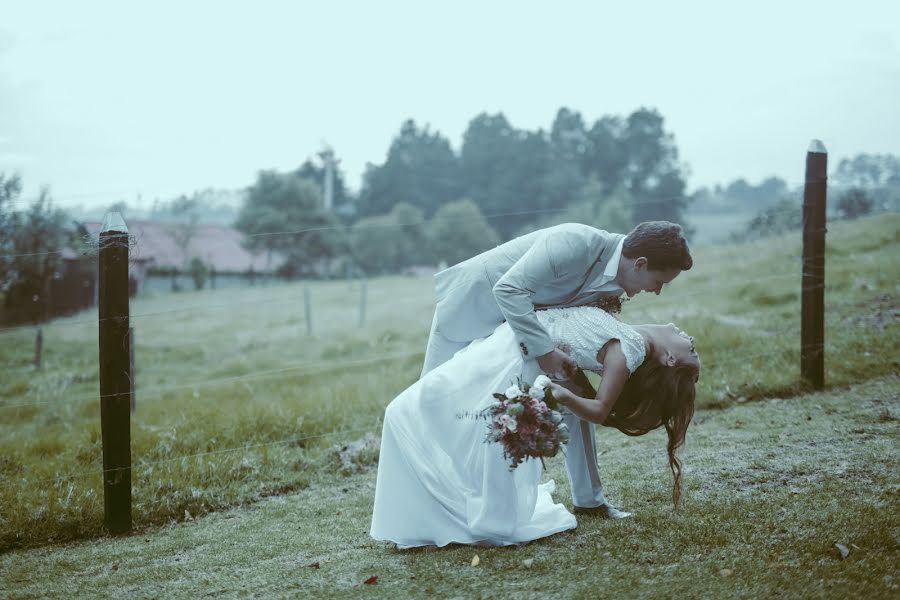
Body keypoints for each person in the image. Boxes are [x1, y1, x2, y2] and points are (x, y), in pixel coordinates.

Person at [419, 220, 693, 517]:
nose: (657, 291)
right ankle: (427, 512)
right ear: (640, 264)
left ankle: (590, 501)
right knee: (431, 406)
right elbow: (509, 289)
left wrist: (582, 385)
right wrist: (546, 353)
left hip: (520, 337)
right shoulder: (575, 241)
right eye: (660, 281)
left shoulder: (615, 284)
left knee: (573, 403)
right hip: (470, 310)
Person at [370, 306, 699, 548]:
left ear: (670, 359)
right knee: (423, 407)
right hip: (512, 339)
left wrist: (560, 394)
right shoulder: (631, 335)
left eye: (692, 350)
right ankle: (437, 504)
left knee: (412, 407)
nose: (690, 338)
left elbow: (599, 409)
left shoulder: (631, 350)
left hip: (516, 353)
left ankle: (444, 514)